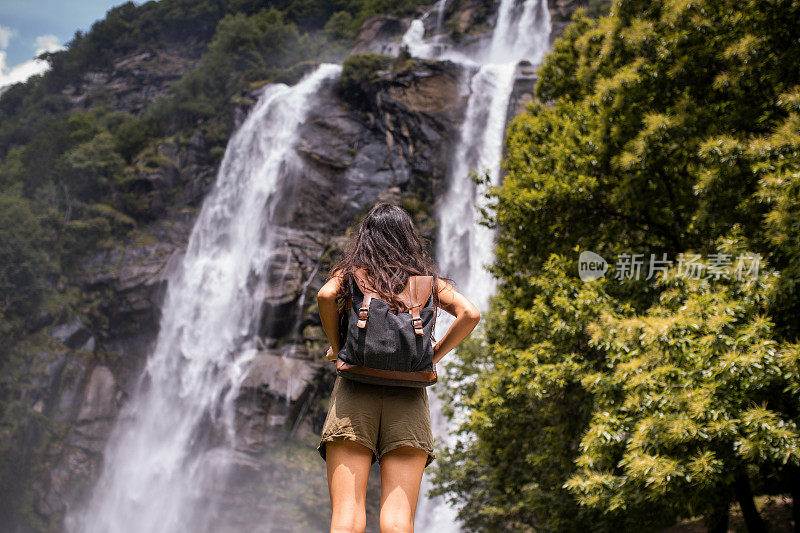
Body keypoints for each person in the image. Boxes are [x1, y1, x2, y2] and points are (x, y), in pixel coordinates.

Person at [316, 202, 481, 533]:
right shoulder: (428, 283)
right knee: (397, 520)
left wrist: (340, 348)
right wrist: (432, 357)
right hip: (408, 398)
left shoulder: (351, 274)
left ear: (366, 238)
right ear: (409, 239)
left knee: (347, 516)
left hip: (354, 394)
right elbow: (470, 313)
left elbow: (325, 295)